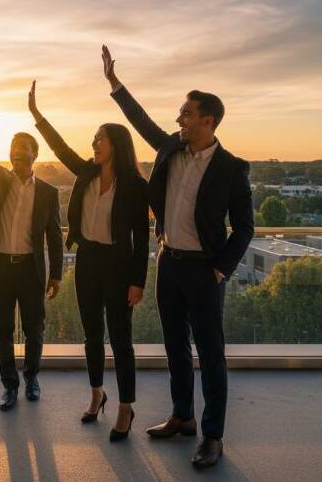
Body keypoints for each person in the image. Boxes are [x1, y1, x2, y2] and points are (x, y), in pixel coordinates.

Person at [102, 45, 254, 468]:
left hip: (206, 271)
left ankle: (213, 437)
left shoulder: (232, 168)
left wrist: (222, 269)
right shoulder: (171, 149)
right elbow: (141, 120)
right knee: (174, 348)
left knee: (210, 354)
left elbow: (245, 228)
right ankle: (183, 417)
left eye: (186, 114)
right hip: (168, 263)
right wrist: (115, 84)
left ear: (208, 120)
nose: (179, 120)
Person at [28, 81, 150, 442]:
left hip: (118, 264)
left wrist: (138, 281)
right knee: (92, 335)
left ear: (116, 145)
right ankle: (97, 394)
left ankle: (126, 407)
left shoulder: (134, 185)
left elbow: (142, 238)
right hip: (87, 260)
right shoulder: (87, 173)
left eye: (99, 139)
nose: (93, 144)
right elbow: (59, 146)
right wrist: (38, 116)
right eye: (94, 139)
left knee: (121, 338)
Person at [0, 100, 63, 411]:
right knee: (2, 329)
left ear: (35, 154)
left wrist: (56, 274)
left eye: (23, 147)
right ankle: (10, 385)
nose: (16, 152)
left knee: (35, 329)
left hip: (30, 271)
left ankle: (32, 378)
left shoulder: (48, 192)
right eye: (12, 147)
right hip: (0, 269)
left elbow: (54, 236)